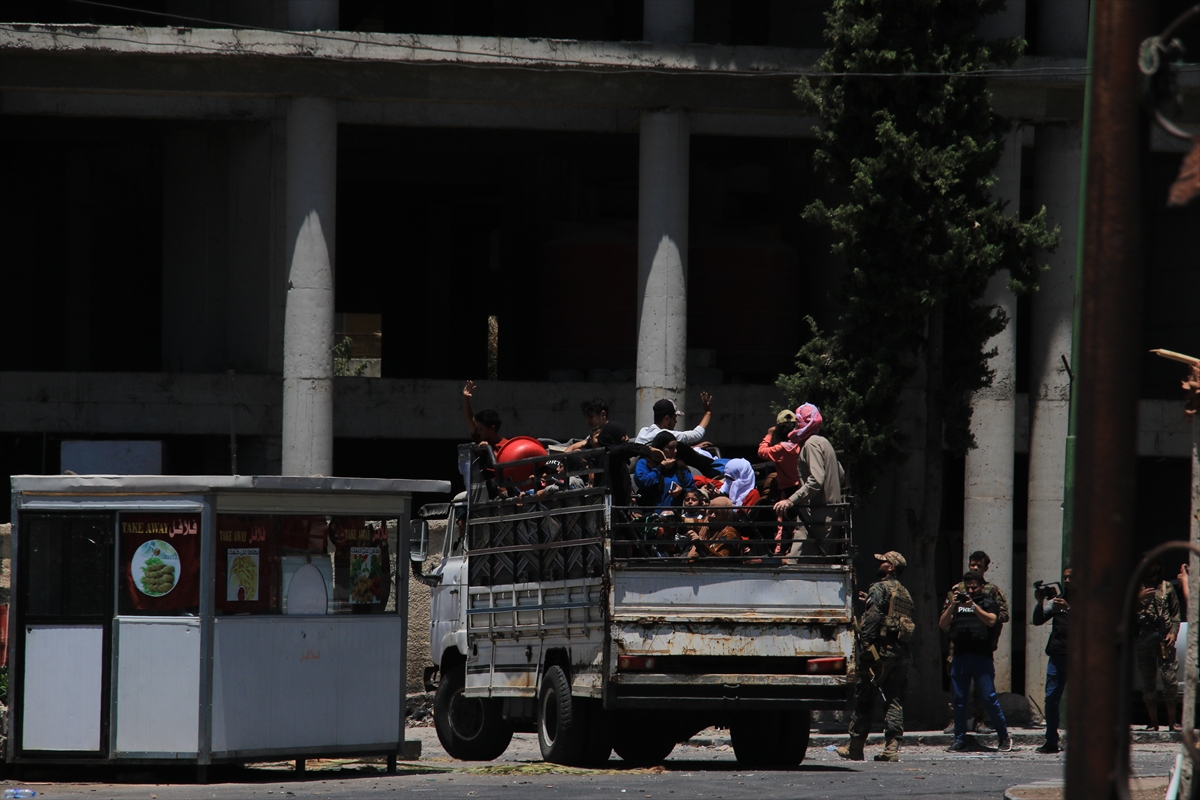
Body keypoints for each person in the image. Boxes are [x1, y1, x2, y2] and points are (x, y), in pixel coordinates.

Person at [837, 551, 915, 763]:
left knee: (865, 697)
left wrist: (866, 647)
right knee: (894, 700)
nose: (879, 563)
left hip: (879, 651)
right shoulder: (904, 593)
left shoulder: (878, 587)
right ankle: (892, 748)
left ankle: (855, 747)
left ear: (891, 567)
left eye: (883, 561)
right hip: (899, 652)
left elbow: (872, 619)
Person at [940, 570, 1012, 752]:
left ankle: (1003, 737)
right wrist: (953, 605)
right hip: (960, 657)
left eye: (974, 587)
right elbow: (942, 624)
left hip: (981, 657)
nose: (970, 591)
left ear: (981, 587)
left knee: (989, 698)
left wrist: (973, 607)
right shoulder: (956, 604)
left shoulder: (989, 603)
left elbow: (991, 620)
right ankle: (959, 738)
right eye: (968, 587)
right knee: (959, 700)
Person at [771, 404, 844, 559]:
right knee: (820, 565)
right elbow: (841, 474)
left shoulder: (810, 444)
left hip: (815, 516)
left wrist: (790, 501)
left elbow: (816, 480)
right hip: (830, 514)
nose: (796, 424)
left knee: (798, 564)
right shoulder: (824, 442)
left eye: (799, 421)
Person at [1134, 562, 1181, 731]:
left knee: (1170, 680)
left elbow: (1175, 614)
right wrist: (1137, 598)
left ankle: (1172, 721)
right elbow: (1121, 610)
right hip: (1144, 639)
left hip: (1164, 639)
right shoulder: (1134, 587)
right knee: (1148, 681)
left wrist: (1173, 633)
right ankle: (1152, 722)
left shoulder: (1166, 587)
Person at [1032, 565, 1070, 753]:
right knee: (1051, 699)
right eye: (1065, 578)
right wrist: (1040, 602)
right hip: (1057, 655)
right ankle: (1051, 741)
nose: (1068, 581)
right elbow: (1039, 619)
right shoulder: (1058, 600)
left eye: (1071, 578)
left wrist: (1069, 609)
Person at [634, 431, 695, 508]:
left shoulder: (679, 466)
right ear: (660, 449)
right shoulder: (646, 463)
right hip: (649, 515)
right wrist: (660, 467)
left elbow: (692, 489)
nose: (675, 451)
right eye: (670, 448)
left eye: (676, 447)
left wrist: (682, 491)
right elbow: (643, 482)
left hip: (674, 516)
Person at [634, 394, 714, 445]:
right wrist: (708, 412)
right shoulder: (664, 435)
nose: (676, 422)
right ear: (667, 419)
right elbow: (696, 435)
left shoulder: (643, 431)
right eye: (674, 418)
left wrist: (695, 447)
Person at [758, 410, 800, 501]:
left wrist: (769, 435)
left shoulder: (780, 449)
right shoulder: (802, 444)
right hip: (803, 487)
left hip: (788, 490)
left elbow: (761, 451)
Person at [461, 380, 503, 446]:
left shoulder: (506, 446)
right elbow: (469, 418)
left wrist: (488, 450)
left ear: (492, 428)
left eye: (481, 429)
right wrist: (466, 398)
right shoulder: (480, 438)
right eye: (478, 429)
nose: (478, 432)